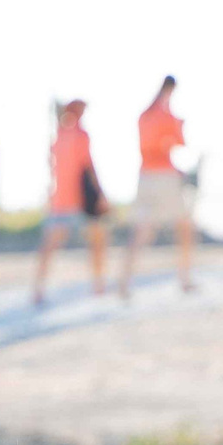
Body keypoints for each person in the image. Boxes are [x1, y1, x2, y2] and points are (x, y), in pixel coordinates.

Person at [122, 75, 197, 300]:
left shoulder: (144, 116)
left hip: (145, 176)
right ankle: (184, 280)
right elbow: (179, 143)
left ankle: (124, 283)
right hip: (164, 176)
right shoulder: (167, 116)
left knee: (140, 231)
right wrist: (179, 126)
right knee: (184, 227)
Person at [30, 98, 108, 307]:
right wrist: (100, 194)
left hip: (59, 200)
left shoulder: (57, 137)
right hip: (78, 201)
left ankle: (38, 289)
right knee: (97, 242)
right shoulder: (80, 135)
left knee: (49, 248)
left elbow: (52, 167)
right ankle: (98, 285)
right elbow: (89, 166)